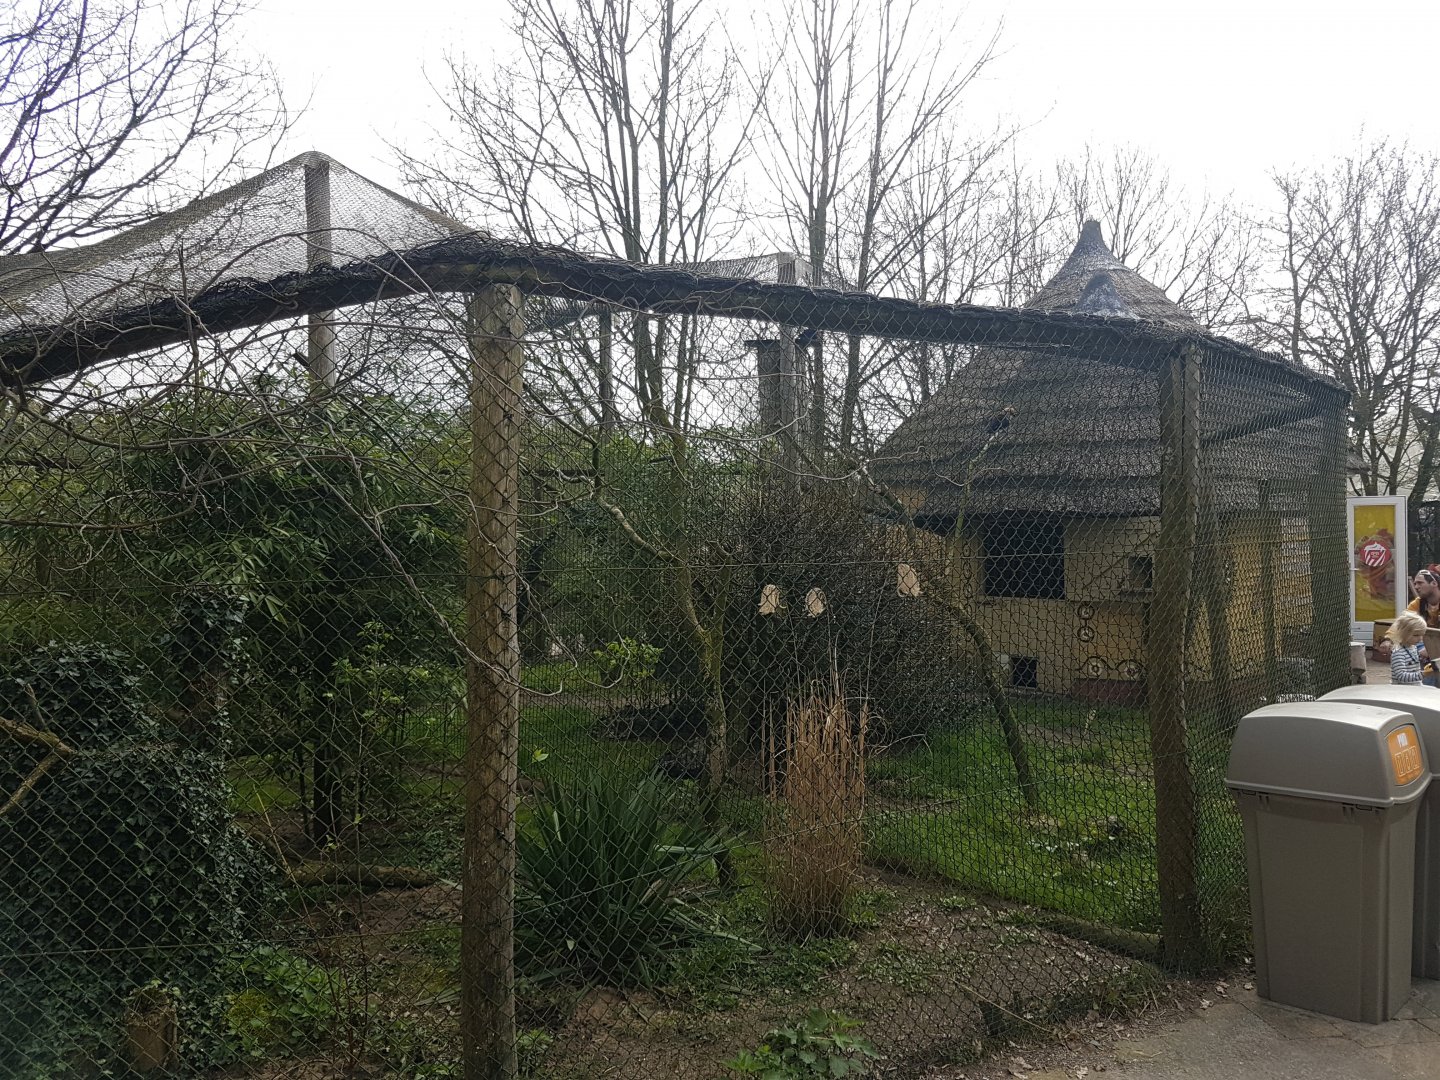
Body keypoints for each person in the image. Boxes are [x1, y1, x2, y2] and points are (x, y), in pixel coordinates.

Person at [1389, 612, 1431, 685]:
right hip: (1403, 691)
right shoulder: (1398, 653)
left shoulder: (1413, 647)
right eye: (1416, 635)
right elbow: (1401, 676)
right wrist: (1423, 674)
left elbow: (1413, 663)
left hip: (1414, 688)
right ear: (1403, 633)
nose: (1420, 639)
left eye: (1422, 635)